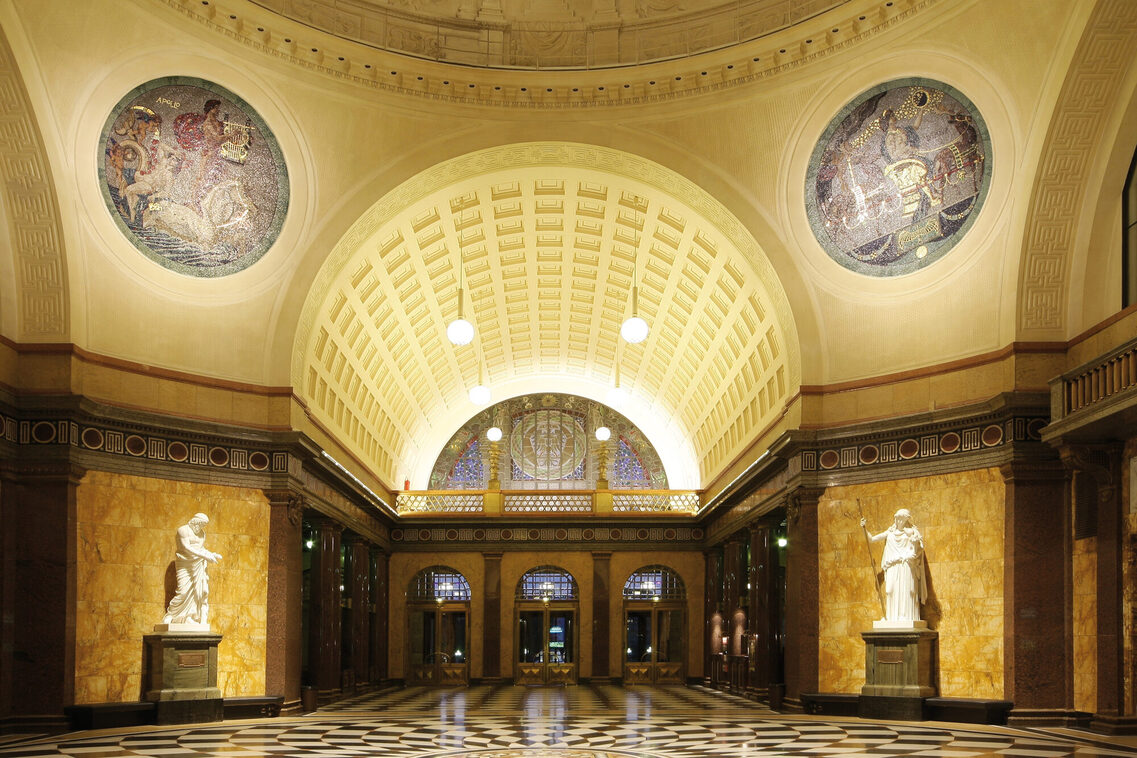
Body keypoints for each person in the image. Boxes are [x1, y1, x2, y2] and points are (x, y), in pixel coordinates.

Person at [860, 509, 926, 623]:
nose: (899, 521)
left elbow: (919, 549)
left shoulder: (912, 532)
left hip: (906, 565)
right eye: (897, 518)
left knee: (907, 590)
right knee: (890, 590)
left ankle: (906, 617)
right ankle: (891, 617)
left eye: (901, 518)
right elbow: (871, 539)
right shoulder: (889, 532)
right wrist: (864, 528)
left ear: (906, 519)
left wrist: (912, 553)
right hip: (892, 566)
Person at [162, 513, 222, 625]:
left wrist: (211, 554)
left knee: (198, 593)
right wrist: (204, 556)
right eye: (200, 524)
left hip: (197, 565)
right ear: (194, 521)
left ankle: (190, 616)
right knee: (183, 591)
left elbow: (200, 548)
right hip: (184, 564)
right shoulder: (183, 530)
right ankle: (170, 615)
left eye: (203, 525)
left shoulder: (202, 533)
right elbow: (186, 547)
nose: (200, 527)